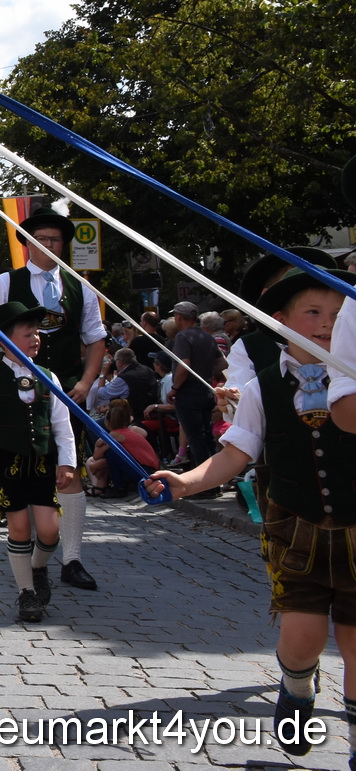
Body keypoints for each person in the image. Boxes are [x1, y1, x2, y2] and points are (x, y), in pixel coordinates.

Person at [148, 257, 356, 765]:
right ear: (281, 322)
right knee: (303, 640)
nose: (329, 323)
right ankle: (297, 687)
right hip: (297, 529)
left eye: (340, 314)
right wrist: (184, 483)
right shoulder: (265, 383)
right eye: (313, 312)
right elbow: (235, 453)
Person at [0, 209, 106, 592]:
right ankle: (29, 545)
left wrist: (84, 382)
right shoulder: (4, 282)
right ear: (27, 244)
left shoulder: (79, 287)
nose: (49, 246)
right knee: (22, 467)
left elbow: (96, 340)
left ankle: (73, 559)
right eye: (41, 239)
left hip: (65, 391)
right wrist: (0, 383)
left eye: (56, 240)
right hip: (17, 392)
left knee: (70, 466)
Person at [0, 301, 78, 624]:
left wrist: (68, 463)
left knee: (50, 530)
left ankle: (37, 567)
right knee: (19, 527)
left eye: (37, 333)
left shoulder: (48, 377)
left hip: (41, 462)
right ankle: (26, 593)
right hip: (8, 462)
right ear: (6, 341)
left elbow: (62, 424)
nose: (36, 338)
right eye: (28, 333)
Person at [168, 300, 228, 485]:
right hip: (206, 391)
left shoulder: (183, 337)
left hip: (189, 392)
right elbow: (223, 363)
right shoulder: (207, 336)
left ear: (179, 317)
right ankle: (215, 481)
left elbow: (184, 366)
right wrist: (208, 373)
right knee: (207, 436)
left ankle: (203, 485)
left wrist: (175, 388)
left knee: (196, 438)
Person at [86, 399, 155, 497]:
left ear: (108, 422)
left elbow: (97, 456)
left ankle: (118, 487)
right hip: (148, 469)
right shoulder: (125, 431)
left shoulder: (116, 435)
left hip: (144, 472)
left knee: (111, 453)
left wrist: (98, 446)